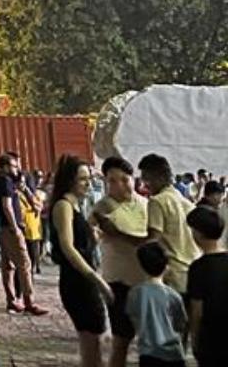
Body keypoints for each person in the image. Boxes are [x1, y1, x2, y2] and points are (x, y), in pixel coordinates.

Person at [49, 154, 114, 367]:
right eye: (83, 179)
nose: (88, 184)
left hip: (82, 280)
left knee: (93, 342)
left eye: (89, 178)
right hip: (77, 281)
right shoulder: (63, 206)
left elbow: (81, 242)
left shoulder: (76, 206)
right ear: (69, 181)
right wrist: (97, 280)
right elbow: (68, 247)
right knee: (91, 341)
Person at [91, 156, 149, 367]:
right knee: (121, 341)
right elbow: (90, 236)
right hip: (118, 282)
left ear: (134, 179)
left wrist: (118, 233)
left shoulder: (146, 204)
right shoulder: (101, 208)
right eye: (113, 181)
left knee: (149, 341)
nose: (120, 185)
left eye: (125, 179)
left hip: (146, 281)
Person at [0, 152, 46, 315]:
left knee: (8, 265)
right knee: (24, 263)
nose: (18, 169)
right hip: (10, 228)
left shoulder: (0, 181)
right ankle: (29, 301)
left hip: (2, 227)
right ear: (5, 167)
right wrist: (15, 227)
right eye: (14, 166)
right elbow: (7, 205)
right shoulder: (5, 181)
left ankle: (12, 300)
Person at [139, 153, 200, 297]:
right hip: (192, 272)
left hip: (173, 274)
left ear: (159, 177)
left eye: (147, 178)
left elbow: (153, 241)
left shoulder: (157, 202)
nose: (145, 184)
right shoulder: (186, 202)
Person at [127, 243, 187, 367]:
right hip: (173, 353)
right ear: (166, 267)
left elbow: (133, 317)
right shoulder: (173, 295)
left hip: (148, 352)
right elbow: (181, 323)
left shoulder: (135, 293)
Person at [186, 206, 227, 366]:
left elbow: (197, 310)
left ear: (197, 233)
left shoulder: (198, 268)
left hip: (211, 340)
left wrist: (195, 341)